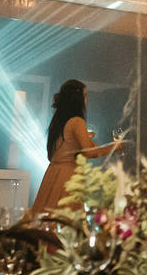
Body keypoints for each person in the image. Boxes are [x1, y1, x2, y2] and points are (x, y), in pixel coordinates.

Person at [31, 80, 119, 214]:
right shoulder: (77, 122)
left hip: (52, 175)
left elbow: (62, 148)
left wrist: (85, 137)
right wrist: (115, 146)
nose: (87, 100)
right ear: (77, 99)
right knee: (65, 221)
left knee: (47, 220)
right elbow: (89, 153)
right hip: (67, 177)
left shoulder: (59, 121)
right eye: (85, 95)